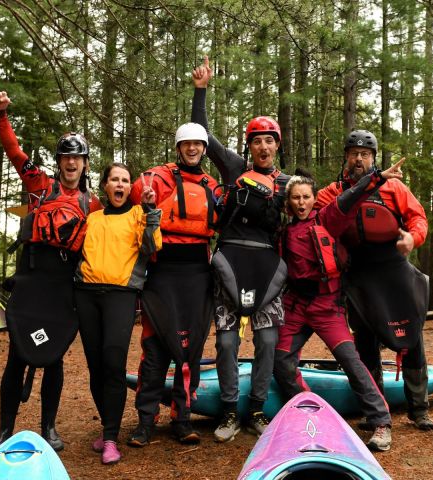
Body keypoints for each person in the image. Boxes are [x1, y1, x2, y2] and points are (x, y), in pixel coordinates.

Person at [0, 91, 101, 454]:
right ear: (59, 161)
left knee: (53, 355)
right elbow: (15, 154)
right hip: (32, 277)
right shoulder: (40, 186)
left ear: (85, 164)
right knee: (18, 353)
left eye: (77, 158)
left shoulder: (92, 204)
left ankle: (48, 427)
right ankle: (4, 429)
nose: (71, 163)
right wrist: (1, 114)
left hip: (63, 284)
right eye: (66, 157)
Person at [273, 159, 405, 452]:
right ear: (288, 203)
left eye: (306, 196)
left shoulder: (327, 219)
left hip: (326, 305)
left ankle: (380, 421)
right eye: (295, 198)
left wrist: (377, 177)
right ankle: (309, 409)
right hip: (295, 306)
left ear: (313, 198)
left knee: (350, 360)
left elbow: (350, 196)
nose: (301, 202)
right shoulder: (283, 231)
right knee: (281, 361)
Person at [191, 57, 290, 442]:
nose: (263, 146)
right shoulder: (234, 168)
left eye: (269, 140)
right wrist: (201, 90)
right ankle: (230, 410)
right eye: (257, 140)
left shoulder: (285, 183)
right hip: (230, 262)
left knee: (267, 341)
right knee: (227, 341)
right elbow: (202, 132)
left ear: (276, 146)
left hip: (267, 268)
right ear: (249, 145)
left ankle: (258, 410)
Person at [315, 130, 433, 431]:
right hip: (359, 273)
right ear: (345, 156)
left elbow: (418, 218)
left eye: (365, 154)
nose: (358, 158)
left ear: (373, 157)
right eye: (353, 153)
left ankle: (419, 410)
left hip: (394, 267)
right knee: (365, 341)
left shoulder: (394, 186)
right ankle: (374, 408)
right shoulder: (331, 191)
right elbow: (318, 218)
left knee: (412, 338)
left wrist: (413, 238)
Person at [126, 122, 219, 448]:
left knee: (189, 351)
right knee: (154, 350)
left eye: (198, 144)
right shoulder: (155, 178)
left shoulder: (211, 185)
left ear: (204, 149)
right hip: (162, 273)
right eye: (186, 144)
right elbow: (130, 205)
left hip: (197, 276)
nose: (192, 149)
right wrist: (148, 203)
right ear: (178, 148)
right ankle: (145, 421)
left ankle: (181, 419)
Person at [75, 162, 162, 465]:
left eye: (125, 180)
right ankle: (106, 426)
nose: (120, 184)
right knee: (96, 367)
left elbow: (152, 248)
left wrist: (151, 211)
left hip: (121, 296)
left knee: (113, 363)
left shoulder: (139, 214)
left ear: (130, 188)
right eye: (114, 179)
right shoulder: (93, 217)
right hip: (86, 295)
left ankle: (111, 437)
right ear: (106, 186)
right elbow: (76, 251)